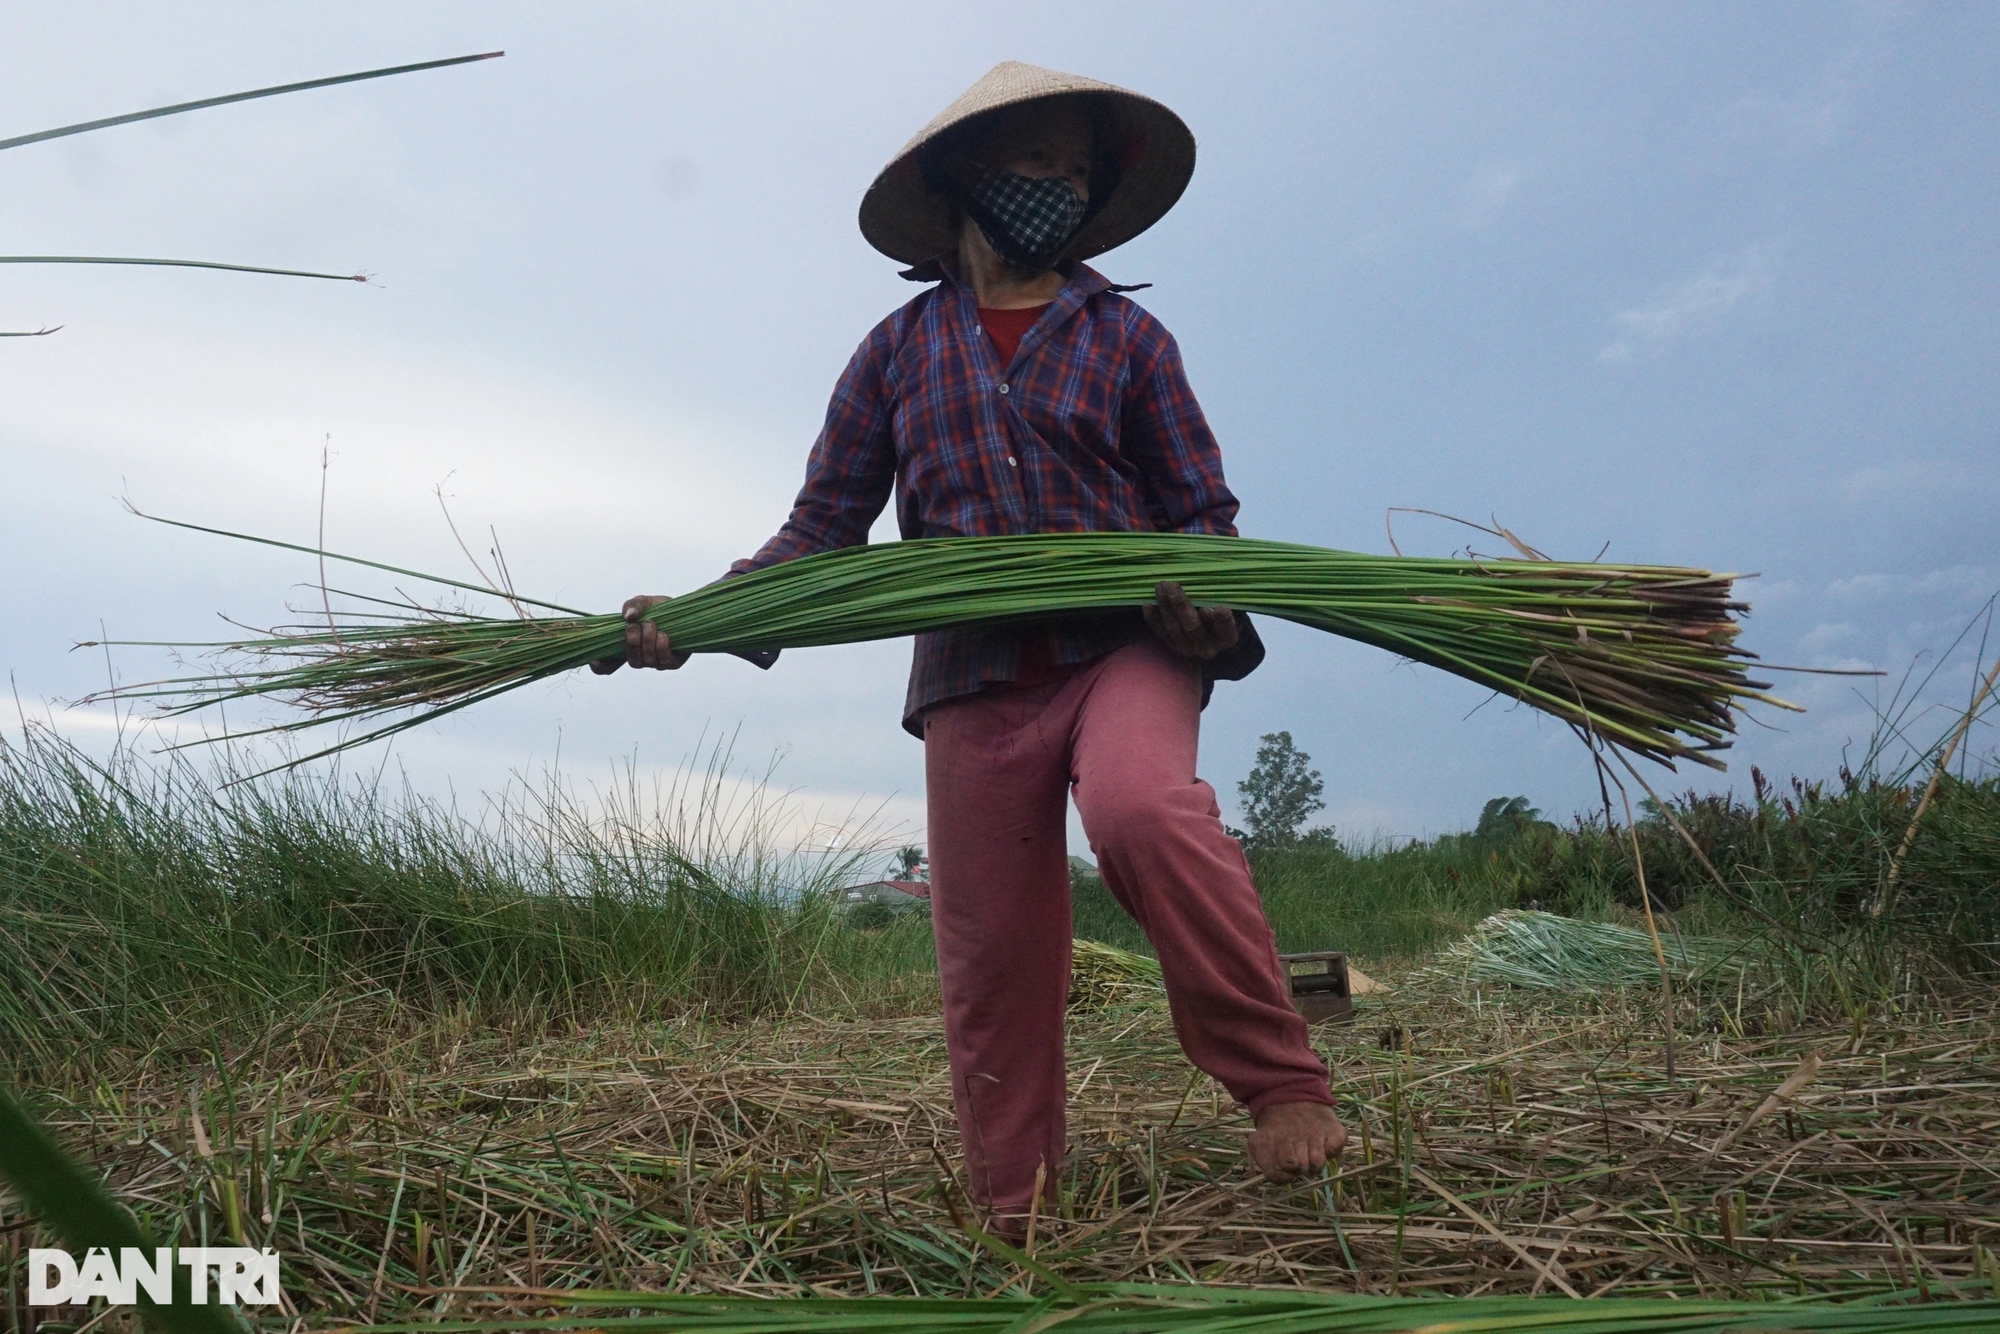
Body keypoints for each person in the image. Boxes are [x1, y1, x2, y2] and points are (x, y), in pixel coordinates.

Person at [596, 61, 1344, 1232]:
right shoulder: (895, 353)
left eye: (1076, 170)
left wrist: (1208, 606)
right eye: (1034, 160)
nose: (1058, 184)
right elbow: (822, 530)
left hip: (1123, 647)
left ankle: (1279, 1081)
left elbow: (1202, 512)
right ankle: (1018, 1203)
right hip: (969, 676)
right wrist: (698, 617)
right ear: (962, 178)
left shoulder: (1129, 338)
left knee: (1144, 811)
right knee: (990, 949)